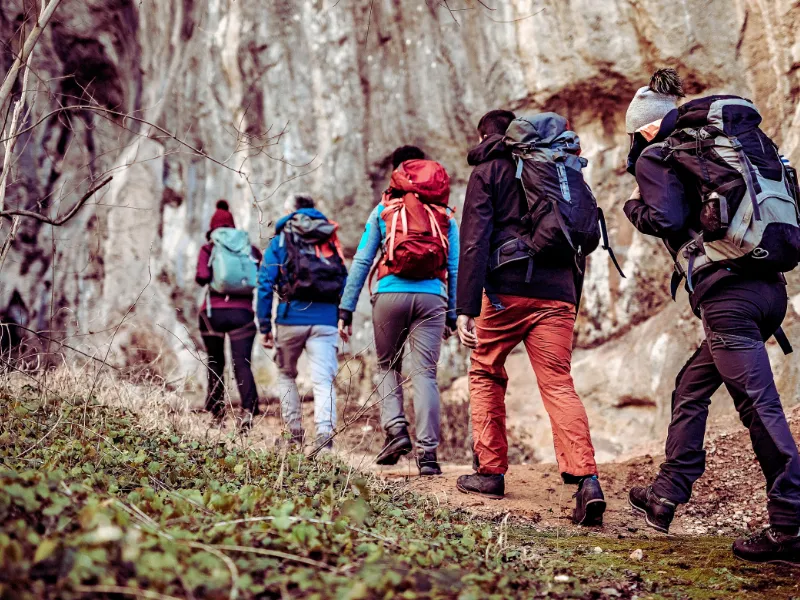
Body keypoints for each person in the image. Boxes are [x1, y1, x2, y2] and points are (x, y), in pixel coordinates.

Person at [623, 68, 800, 564]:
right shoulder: (738, 146)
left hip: (729, 299)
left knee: (759, 407)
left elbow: (666, 218)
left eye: (635, 133)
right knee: (691, 386)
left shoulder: (661, 153)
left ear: (647, 127)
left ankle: (789, 524)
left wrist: (633, 208)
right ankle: (666, 493)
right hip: (768, 290)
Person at [454, 110, 606, 526]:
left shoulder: (488, 169)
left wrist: (466, 308)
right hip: (558, 291)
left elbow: (474, 240)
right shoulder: (557, 165)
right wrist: (569, 297)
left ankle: (490, 472)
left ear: (485, 135)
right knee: (558, 382)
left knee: (485, 370)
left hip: (506, 290)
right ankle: (587, 480)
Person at [338, 145, 459, 476]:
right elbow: (454, 266)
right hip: (432, 298)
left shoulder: (383, 210)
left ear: (397, 173)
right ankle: (428, 456)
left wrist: (346, 308)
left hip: (390, 295)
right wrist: (453, 313)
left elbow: (362, 260)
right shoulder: (444, 215)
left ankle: (396, 430)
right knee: (425, 375)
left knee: (387, 366)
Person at [257, 194, 347, 451]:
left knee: (286, 374)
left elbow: (265, 283)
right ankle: (324, 438)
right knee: (323, 381)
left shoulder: (282, 238)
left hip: (290, 318)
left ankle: (294, 434)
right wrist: (343, 315)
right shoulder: (328, 236)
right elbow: (343, 278)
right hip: (326, 320)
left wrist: (264, 325)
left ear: (291, 211)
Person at [195, 200, 261, 431]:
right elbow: (260, 276)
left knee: (215, 362)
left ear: (213, 228)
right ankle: (248, 411)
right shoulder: (249, 248)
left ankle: (217, 415)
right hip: (243, 314)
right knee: (242, 364)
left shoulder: (209, 248)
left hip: (213, 314)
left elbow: (202, 277)